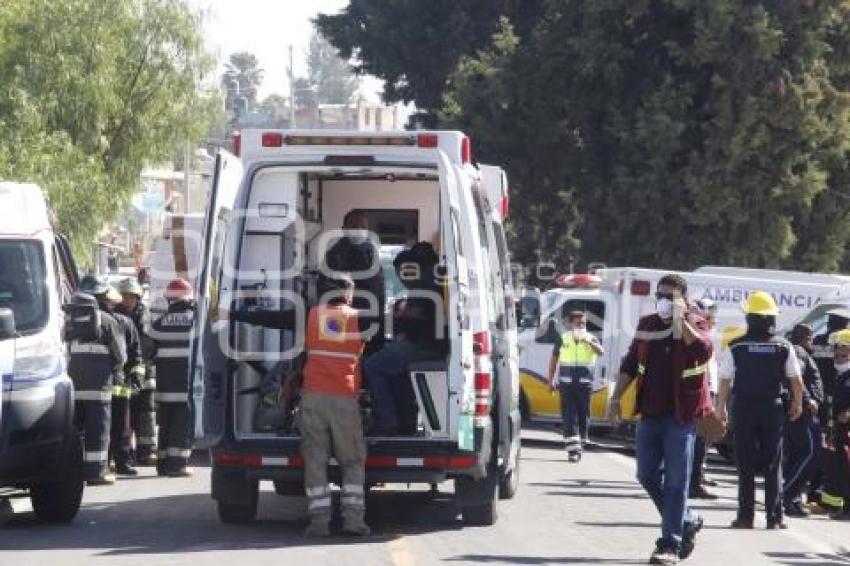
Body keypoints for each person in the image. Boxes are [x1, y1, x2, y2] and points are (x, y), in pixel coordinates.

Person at [229, 275, 372, 536]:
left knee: (315, 458)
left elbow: (272, 319)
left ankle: (319, 522)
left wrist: (235, 315)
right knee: (351, 460)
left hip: (314, 397)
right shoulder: (359, 318)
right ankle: (353, 521)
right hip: (344, 397)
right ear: (347, 293)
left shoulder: (309, 315)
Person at [607, 274, 713, 564]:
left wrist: (681, 321)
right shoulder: (648, 324)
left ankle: (670, 544)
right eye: (661, 295)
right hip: (651, 413)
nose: (664, 301)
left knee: (677, 481)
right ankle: (687, 520)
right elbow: (630, 362)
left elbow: (703, 352)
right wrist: (616, 398)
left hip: (681, 417)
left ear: (684, 299)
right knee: (646, 474)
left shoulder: (696, 322)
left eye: (671, 296)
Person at [716, 291, 804, 530]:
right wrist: (798, 403)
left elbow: (724, 380)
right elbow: (795, 379)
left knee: (744, 463)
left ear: (750, 318)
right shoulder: (783, 346)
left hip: (743, 407)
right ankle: (774, 518)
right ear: (771, 319)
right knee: (773, 463)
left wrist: (720, 409)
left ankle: (745, 517)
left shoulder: (736, 345)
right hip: (772, 408)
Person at [64, 286, 126, 486]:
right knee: (98, 430)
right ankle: (97, 472)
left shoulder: (68, 323)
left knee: (73, 431)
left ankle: (73, 472)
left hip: (73, 387)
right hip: (99, 388)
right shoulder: (107, 321)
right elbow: (121, 355)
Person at [150, 278, 196, 477]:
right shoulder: (195, 321)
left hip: (164, 385)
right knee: (182, 423)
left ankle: (162, 464)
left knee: (165, 424)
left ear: (169, 300)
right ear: (188, 299)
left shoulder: (158, 324)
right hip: (186, 384)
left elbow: (148, 352)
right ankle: (177, 465)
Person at [323, 209, 385, 353]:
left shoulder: (371, 252)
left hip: (374, 321)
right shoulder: (335, 255)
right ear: (344, 229)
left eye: (363, 227)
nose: (359, 230)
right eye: (354, 226)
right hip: (348, 323)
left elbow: (378, 289)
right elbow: (331, 291)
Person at [548, 311, 604, 462]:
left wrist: (591, 344)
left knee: (583, 416)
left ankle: (581, 442)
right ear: (571, 324)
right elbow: (553, 360)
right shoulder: (563, 338)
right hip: (566, 385)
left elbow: (601, 352)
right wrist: (551, 379)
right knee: (569, 417)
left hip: (585, 385)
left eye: (584, 323)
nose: (581, 326)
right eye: (579, 323)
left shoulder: (591, 338)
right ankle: (573, 451)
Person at [783, 324, 824, 517]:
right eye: (810, 337)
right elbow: (795, 378)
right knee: (809, 453)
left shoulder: (798, 352)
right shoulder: (798, 352)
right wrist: (808, 399)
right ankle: (787, 494)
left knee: (798, 455)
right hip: (802, 413)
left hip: (801, 411)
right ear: (804, 337)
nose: (812, 341)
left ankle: (793, 498)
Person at [116, 277, 157, 466]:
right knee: (125, 414)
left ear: (138, 297)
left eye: (131, 297)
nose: (127, 300)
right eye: (124, 296)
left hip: (145, 371)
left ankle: (146, 451)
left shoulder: (145, 316)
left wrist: (140, 368)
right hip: (124, 372)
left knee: (146, 412)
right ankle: (126, 451)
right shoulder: (116, 315)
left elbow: (148, 345)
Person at [104, 286, 143, 477]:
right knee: (120, 428)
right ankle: (122, 464)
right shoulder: (126, 322)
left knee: (103, 426)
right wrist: (135, 376)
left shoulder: (101, 321)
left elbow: (135, 354)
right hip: (119, 384)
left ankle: (105, 463)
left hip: (104, 384)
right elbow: (136, 354)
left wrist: (135, 374)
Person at [689, 299, 719, 500]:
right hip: (700, 390)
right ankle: (693, 484)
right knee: (697, 440)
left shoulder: (706, 329)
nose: (712, 317)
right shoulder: (696, 327)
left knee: (702, 440)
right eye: (709, 312)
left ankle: (696, 479)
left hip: (709, 389)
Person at [820, 329, 850, 520]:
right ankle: (843, 506)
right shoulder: (839, 375)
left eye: (844, 354)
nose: (838, 358)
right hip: (837, 431)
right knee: (839, 469)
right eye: (836, 354)